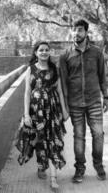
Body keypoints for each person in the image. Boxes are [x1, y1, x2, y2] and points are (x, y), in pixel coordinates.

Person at [59, 19, 108, 183]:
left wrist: (106, 96)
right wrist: (65, 106)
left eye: (79, 30)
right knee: (79, 136)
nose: (76, 33)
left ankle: (98, 164)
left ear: (86, 32)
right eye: (74, 30)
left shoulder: (96, 52)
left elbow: (103, 76)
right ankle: (80, 168)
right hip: (75, 103)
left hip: (94, 100)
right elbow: (63, 83)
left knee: (98, 134)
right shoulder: (65, 55)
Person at [16, 41, 68, 190]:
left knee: (53, 140)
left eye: (46, 50)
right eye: (41, 50)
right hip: (35, 110)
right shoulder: (30, 70)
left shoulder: (54, 69)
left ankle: (53, 178)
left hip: (52, 110)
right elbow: (27, 92)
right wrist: (26, 114)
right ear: (36, 53)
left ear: (49, 52)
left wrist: (64, 110)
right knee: (37, 139)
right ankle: (40, 165)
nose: (44, 52)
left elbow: (59, 92)